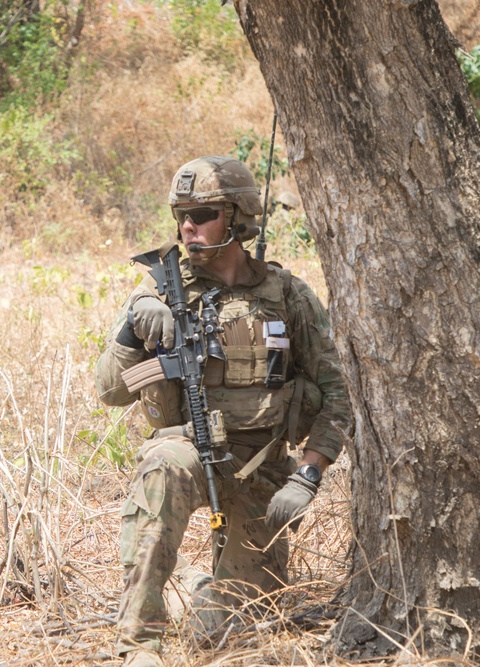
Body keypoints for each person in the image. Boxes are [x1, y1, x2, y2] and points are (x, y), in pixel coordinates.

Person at [95, 156, 352, 667]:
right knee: (162, 468)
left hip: (265, 469)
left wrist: (308, 475)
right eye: (182, 215)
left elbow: (338, 393)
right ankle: (139, 642)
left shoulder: (288, 295)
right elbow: (109, 391)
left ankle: (193, 583)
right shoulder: (163, 291)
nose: (188, 226)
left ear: (238, 216)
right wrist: (132, 327)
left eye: (204, 213)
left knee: (230, 631)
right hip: (188, 448)